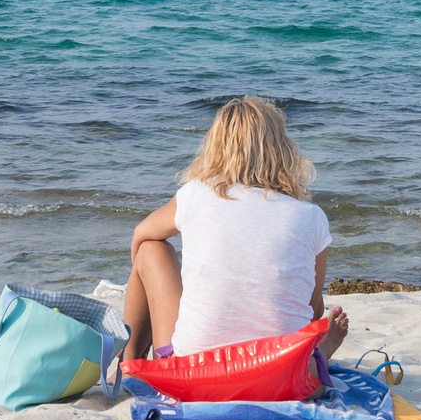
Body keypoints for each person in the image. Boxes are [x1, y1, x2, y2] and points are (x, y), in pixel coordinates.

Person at [121, 96, 347, 365]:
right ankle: (321, 353)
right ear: (283, 151)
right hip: (283, 374)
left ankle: (130, 361)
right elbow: (312, 309)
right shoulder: (311, 216)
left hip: (196, 373)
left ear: (215, 148)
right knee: (306, 336)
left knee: (150, 249)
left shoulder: (194, 195)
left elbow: (141, 234)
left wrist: (162, 298)